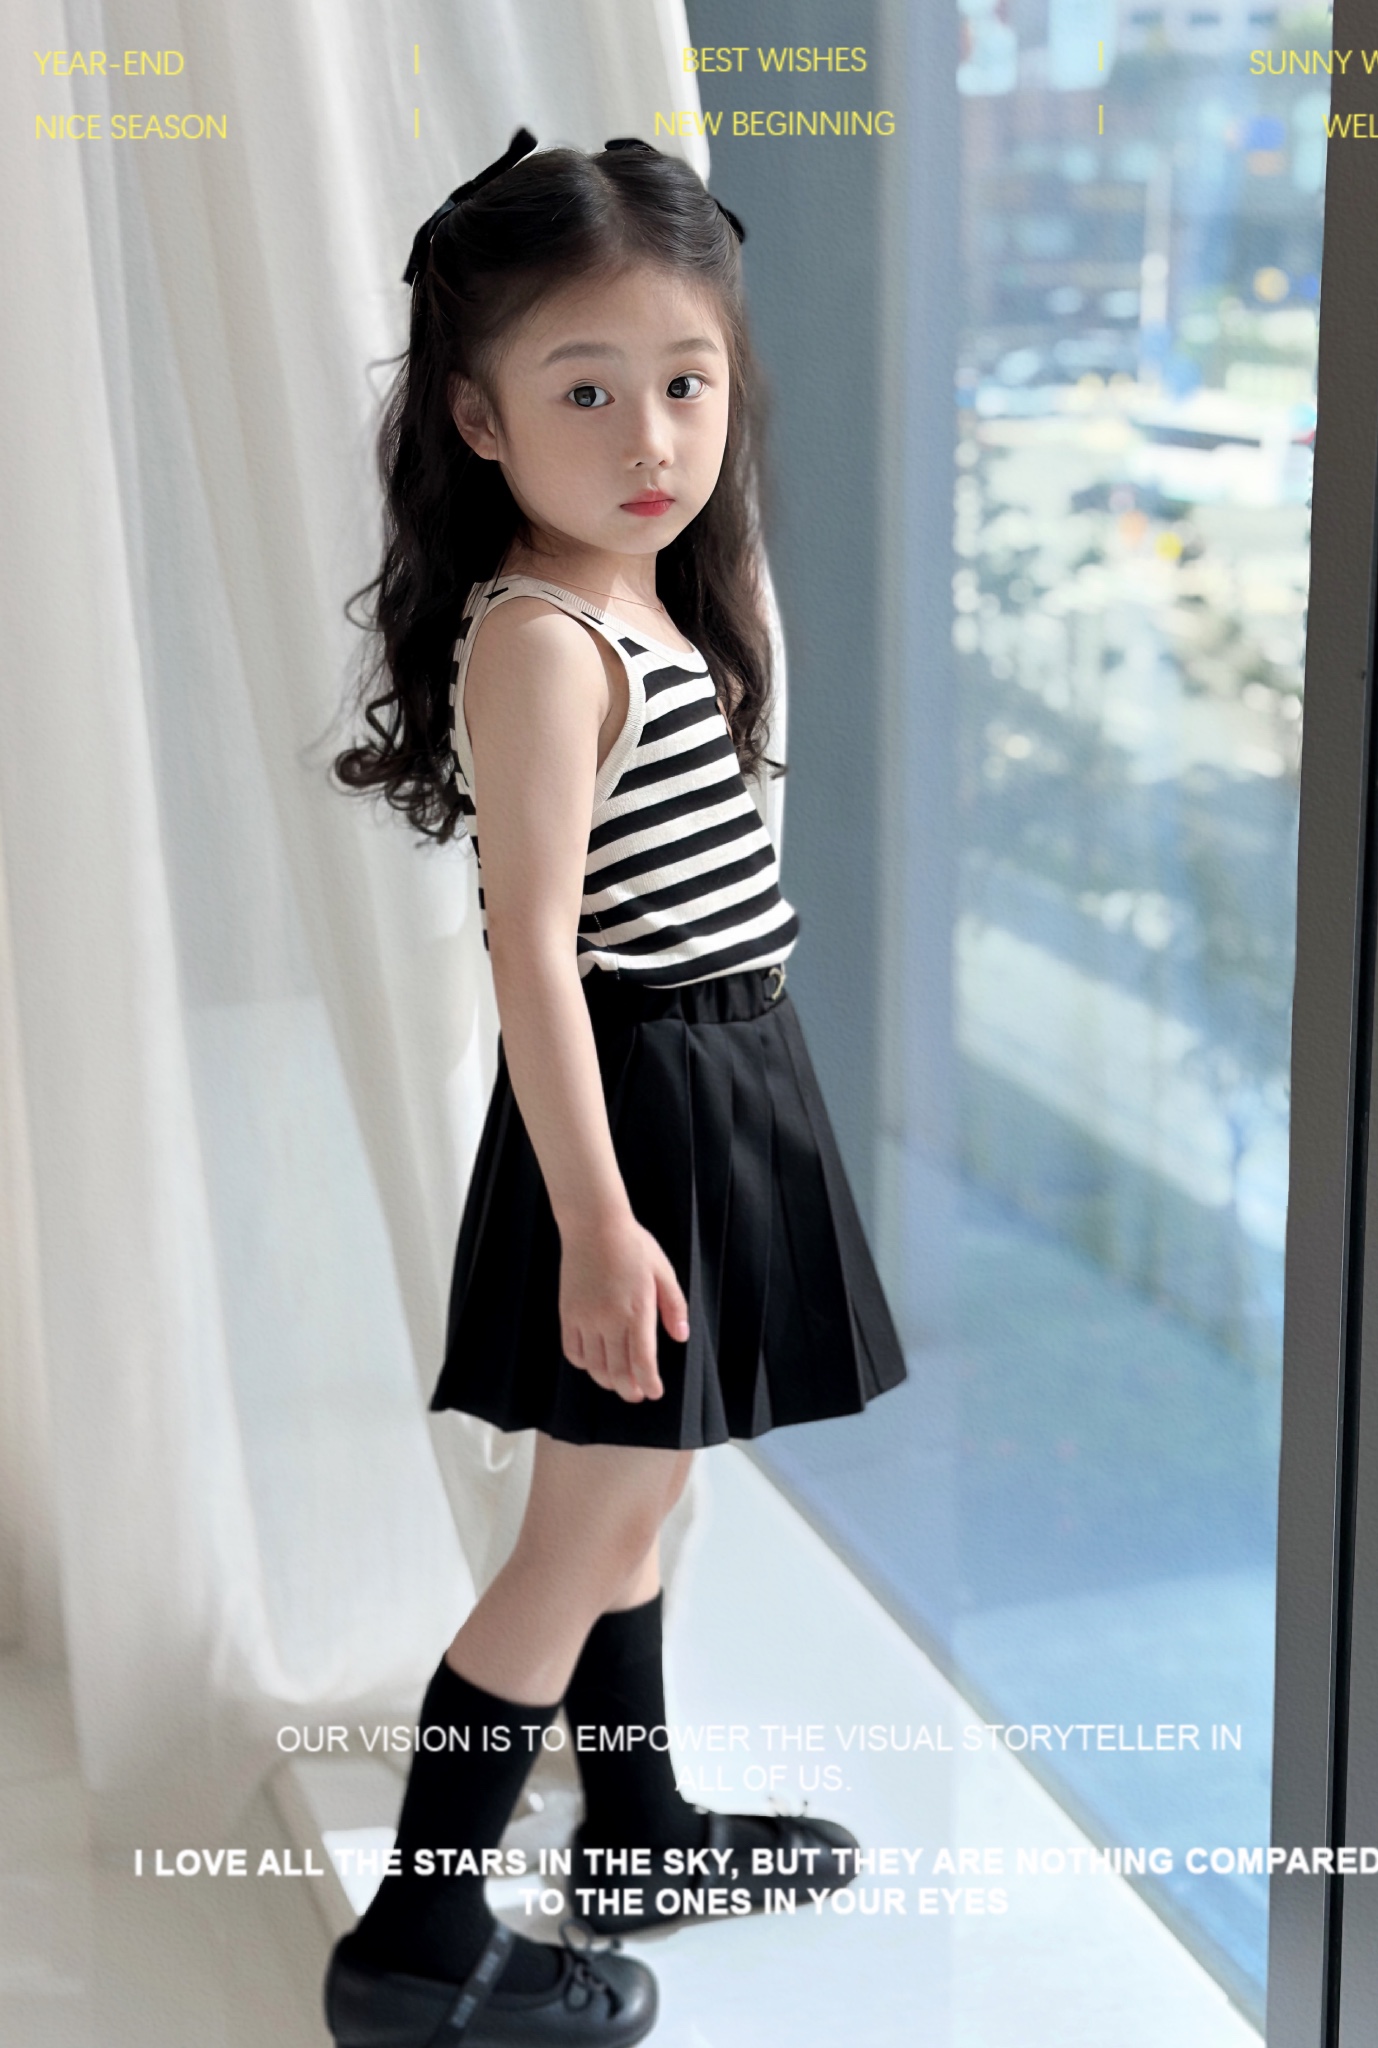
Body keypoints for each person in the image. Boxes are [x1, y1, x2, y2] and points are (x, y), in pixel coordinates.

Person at [326, 130, 908, 2048]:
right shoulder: (544, 637)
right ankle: (417, 1950)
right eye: (585, 392)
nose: (650, 436)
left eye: (685, 382)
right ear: (478, 419)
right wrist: (595, 1215)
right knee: (577, 1537)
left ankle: (639, 1829)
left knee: (638, 1501)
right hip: (641, 1109)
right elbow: (532, 955)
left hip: (717, 1080)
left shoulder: (645, 592)